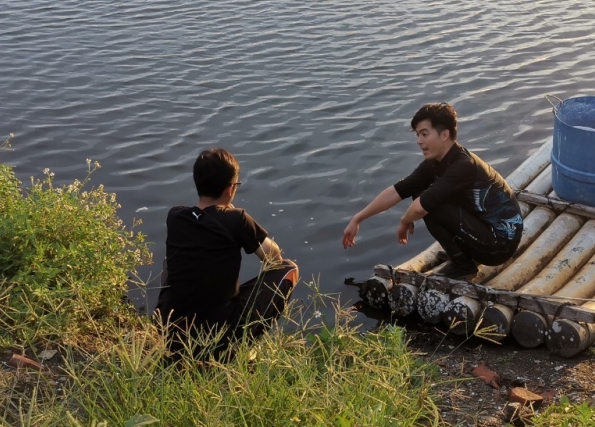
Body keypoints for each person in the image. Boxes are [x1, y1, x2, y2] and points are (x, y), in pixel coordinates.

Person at [342, 102, 524, 281]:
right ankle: (463, 254)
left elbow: (419, 208)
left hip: (499, 245)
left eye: (424, 134)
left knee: (426, 203)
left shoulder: (463, 165)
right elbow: (398, 190)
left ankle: (463, 265)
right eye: (418, 135)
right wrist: (358, 218)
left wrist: (405, 220)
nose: (419, 141)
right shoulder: (436, 162)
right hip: (485, 229)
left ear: (444, 134)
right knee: (420, 193)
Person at [155, 148, 298, 357]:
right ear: (231, 189)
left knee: (172, 261)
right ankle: (241, 345)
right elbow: (274, 258)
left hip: (172, 333)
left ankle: (171, 334)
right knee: (289, 269)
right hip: (217, 337)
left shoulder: (175, 216)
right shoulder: (237, 219)